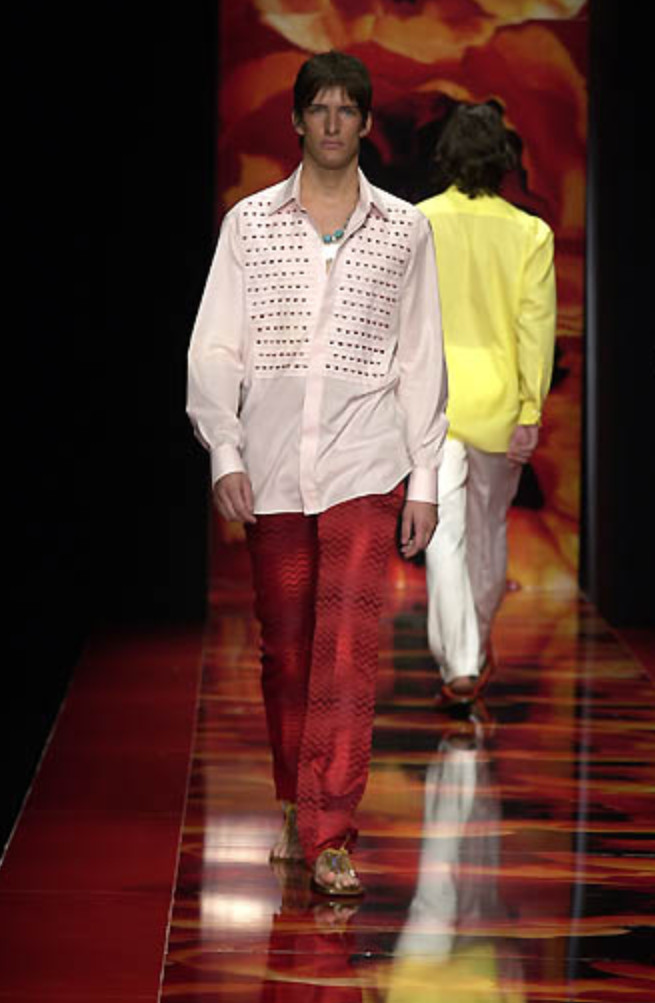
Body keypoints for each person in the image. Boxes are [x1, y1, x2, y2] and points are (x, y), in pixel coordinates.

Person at [187, 51, 448, 895]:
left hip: (366, 463)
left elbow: (420, 357)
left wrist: (424, 480)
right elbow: (214, 346)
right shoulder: (249, 224)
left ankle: (333, 830)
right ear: (297, 120)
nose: (333, 123)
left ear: (366, 123)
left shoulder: (404, 230)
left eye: (347, 109)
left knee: (346, 647)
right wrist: (224, 450)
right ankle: (295, 806)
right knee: (287, 650)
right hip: (270, 465)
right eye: (319, 108)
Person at [417, 102, 556, 706]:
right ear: (503, 161)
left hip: (434, 402)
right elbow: (535, 329)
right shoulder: (529, 234)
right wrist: (530, 411)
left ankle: (461, 660)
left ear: (447, 157)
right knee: (487, 530)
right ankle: (470, 652)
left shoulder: (419, 223)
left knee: (443, 533)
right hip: (498, 402)